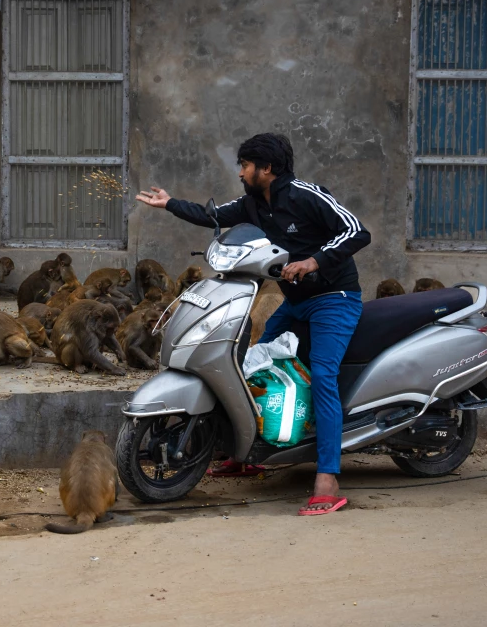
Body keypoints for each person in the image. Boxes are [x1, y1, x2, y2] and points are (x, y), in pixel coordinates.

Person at [135, 133, 370, 515]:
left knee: (323, 375)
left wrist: (314, 261)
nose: (241, 173)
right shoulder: (253, 204)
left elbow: (357, 230)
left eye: (245, 166)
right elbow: (213, 216)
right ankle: (248, 454)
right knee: (249, 365)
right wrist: (169, 203)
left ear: (267, 168)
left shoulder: (306, 195)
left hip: (334, 300)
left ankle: (328, 478)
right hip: (295, 303)